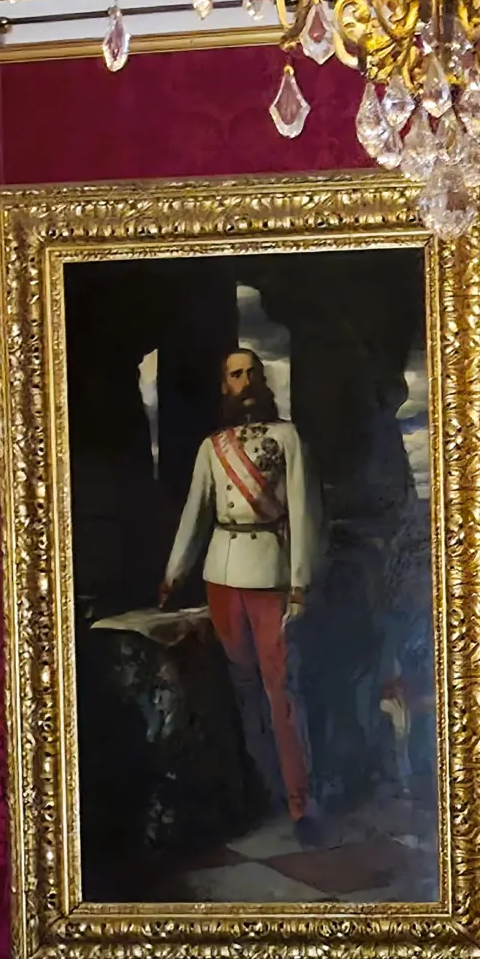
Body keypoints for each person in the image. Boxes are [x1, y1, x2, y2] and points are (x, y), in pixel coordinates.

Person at [158, 346, 321, 842]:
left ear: (262, 380)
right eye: (235, 375)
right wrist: (173, 574)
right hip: (222, 573)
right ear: (225, 386)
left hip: (270, 573)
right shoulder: (213, 447)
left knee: (281, 695)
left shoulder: (287, 438)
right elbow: (195, 513)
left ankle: (300, 804)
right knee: (243, 692)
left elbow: (304, 510)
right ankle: (261, 792)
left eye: (251, 372)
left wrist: (300, 582)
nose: (245, 381)